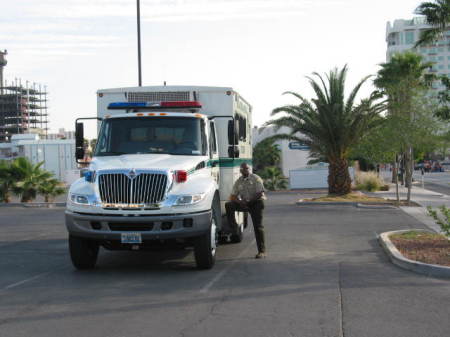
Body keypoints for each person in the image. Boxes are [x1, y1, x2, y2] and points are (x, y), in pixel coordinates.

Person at [225, 162, 267, 259]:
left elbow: (260, 193)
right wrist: (240, 202)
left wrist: (248, 201)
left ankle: (262, 251)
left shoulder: (256, 178)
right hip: (245, 204)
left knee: (258, 227)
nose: (246, 170)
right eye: (244, 169)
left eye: (247, 168)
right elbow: (233, 196)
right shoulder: (239, 181)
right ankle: (234, 227)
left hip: (256, 203)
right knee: (229, 205)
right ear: (240, 171)